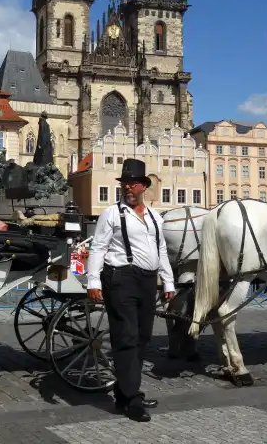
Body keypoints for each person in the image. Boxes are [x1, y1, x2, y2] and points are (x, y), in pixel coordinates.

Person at [87, 158, 176, 422]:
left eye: (132, 183)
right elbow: (98, 248)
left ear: (143, 187)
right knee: (125, 337)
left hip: (148, 281)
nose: (127, 187)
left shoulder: (154, 217)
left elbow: (161, 250)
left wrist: (168, 281)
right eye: (125, 183)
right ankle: (132, 399)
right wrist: (93, 281)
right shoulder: (111, 214)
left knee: (142, 337)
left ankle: (126, 392)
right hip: (121, 279)